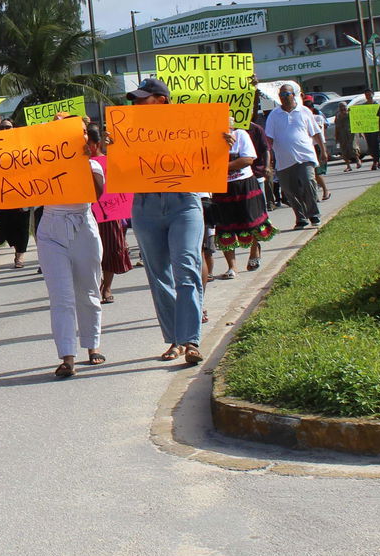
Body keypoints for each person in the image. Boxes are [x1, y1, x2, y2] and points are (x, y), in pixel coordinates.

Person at [125, 78, 207, 365]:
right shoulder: (128, 131)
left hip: (183, 203)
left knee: (186, 268)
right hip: (145, 207)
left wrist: (223, 143)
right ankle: (175, 339)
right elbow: (124, 168)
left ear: (161, 101)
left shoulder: (190, 125)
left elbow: (207, 157)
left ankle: (191, 340)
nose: (135, 104)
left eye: (142, 99)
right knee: (159, 276)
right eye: (134, 99)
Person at [38, 114, 106, 378]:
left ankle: (92, 345)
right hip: (51, 229)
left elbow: (97, 193)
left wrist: (82, 161)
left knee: (88, 290)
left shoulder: (92, 165)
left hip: (82, 227)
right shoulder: (41, 163)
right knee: (61, 297)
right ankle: (67, 357)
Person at [212, 118, 276, 276]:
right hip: (221, 188)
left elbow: (248, 159)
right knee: (224, 226)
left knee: (250, 221)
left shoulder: (241, 135)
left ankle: (254, 251)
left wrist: (223, 166)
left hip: (244, 184)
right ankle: (232, 267)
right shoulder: (208, 140)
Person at [264, 83, 326, 229]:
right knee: (290, 191)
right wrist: (269, 159)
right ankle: (301, 218)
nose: (285, 98)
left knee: (308, 182)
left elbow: (315, 132)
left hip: (305, 157)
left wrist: (323, 150)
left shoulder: (304, 111)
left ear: (294, 95)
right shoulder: (274, 115)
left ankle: (314, 215)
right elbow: (269, 139)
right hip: (284, 161)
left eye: (287, 94)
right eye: (282, 95)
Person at [86, 131, 133, 302]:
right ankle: (97, 284)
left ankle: (107, 287)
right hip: (88, 214)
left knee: (110, 250)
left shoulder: (109, 161)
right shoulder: (80, 164)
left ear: (96, 144)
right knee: (92, 253)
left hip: (110, 214)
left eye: (89, 143)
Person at [0, 117, 33, 269]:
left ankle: (19, 256)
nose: (4, 130)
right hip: (2, 193)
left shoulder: (21, 145)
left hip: (21, 192)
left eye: (7, 127)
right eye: (2, 128)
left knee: (21, 225)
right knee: (3, 225)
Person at [302, 95, 331, 201]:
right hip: (308, 146)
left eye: (309, 107)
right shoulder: (304, 118)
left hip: (317, 145)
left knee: (317, 171)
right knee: (310, 173)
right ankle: (314, 195)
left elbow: (316, 131)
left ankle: (325, 190)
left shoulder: (317, 118)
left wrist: (324, 150)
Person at [352, 88, 380, 170]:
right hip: (368, 129)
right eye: (366, 95)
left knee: (377, 144)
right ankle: (377, 159)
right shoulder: (364, 106)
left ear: (373, 94)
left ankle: (376, 161)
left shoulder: (377, 105)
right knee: (370, 145)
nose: (368, 96)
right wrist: (351, 111)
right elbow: (359, 116)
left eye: (369, 94)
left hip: (376, 129)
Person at [333, 101, 357, 171]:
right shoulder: (337, 116)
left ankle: (358, 160)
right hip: (342, 135)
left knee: (353, 147)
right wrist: (336, 137)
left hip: (351, 134)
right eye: (340, 106)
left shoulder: (350, 113)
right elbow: (336, 127)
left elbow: (356, 123)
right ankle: (348, 166)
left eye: (344, 106)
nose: (342, 108)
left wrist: (360, 133)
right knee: (344, 150)